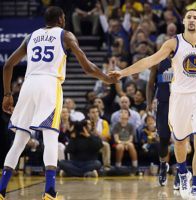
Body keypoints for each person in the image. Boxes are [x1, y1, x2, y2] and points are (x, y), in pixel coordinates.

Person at [109, 9, 196, 200]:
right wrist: (123, 72)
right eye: (189, 17)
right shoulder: (173, 43)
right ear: (184, 22)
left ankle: (195, 186)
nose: (192, 20)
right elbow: (149, 60)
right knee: (179, 141)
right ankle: (182, 171)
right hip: (179, 96)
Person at [1, 6, 116, 200]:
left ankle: (2, 190)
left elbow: (8, 65)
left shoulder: (30, 37)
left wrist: (7, 94)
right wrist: (106, 78)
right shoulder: (66, 36)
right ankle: (50, 191)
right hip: (49, 84)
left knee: (19, 139)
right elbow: (87, 67)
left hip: (28, 84)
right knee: (51, 136)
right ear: (62, 19)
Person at [146, 57, 181, 189]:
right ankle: (163, 165)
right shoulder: (158, 62)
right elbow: (150, 84)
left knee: (180, 139)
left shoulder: (184, 61)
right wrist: (149, 103)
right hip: (163, 105)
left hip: (180, 104)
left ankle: (180, 171)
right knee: (164, 139)